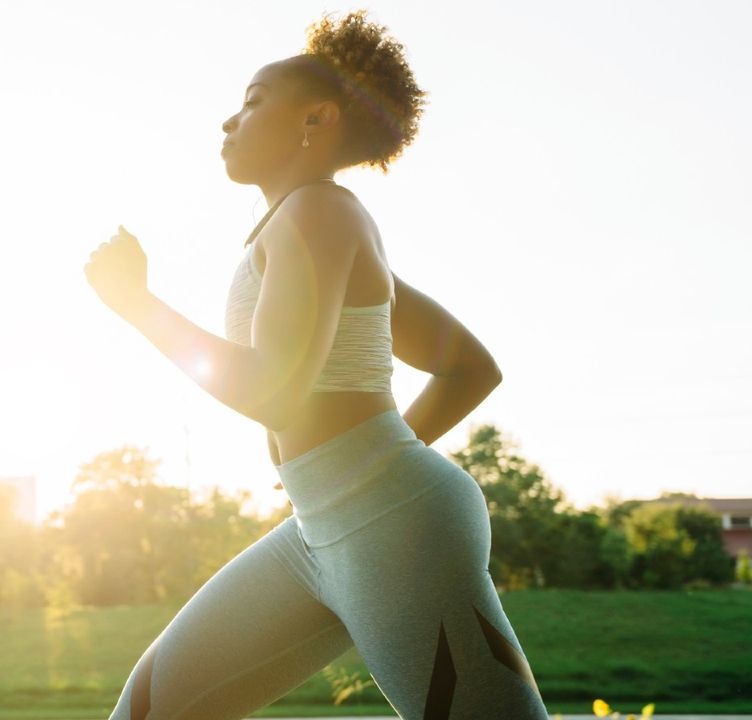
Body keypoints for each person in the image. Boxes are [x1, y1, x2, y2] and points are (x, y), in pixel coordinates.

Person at [83, 9, 550, 720]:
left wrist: (136, 303)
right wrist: (345, 468)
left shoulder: (320, 213)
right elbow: (468, 367)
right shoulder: (313, 226)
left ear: (317, 120)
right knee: (150, 709)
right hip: (320, 524)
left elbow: (275, 389)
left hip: (392, 523)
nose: (227, 121)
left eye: (253, 101)